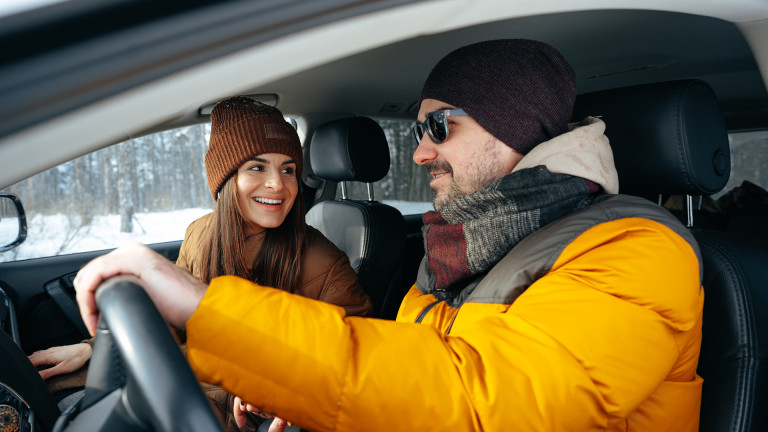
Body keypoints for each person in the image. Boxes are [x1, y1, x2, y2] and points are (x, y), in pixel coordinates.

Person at [74, 40, 704, 431]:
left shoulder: (638, 251)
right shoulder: (460, 245)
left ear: (512, 125)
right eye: (419, 132)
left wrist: (205, 309)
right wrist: (294, 393)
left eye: (439, 128)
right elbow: (408, 368)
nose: (421, 155)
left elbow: (483, 402)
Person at [31, 97, 374, 432]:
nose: (277, 183)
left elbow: (356, 364)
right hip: (181, 386)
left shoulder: (323, 259)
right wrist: (91, 349)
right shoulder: (200, 233)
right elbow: (169, 322)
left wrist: (276, 389)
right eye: (257, 167)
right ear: (225, 179)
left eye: (288, 170)